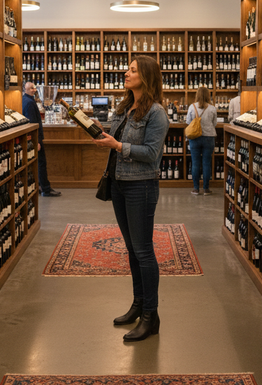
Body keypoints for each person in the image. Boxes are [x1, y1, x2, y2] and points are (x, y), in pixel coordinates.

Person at [92, 56, 169, 342]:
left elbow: (151, 153)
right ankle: (138, 306)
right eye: (127, 68)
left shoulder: (157, 113)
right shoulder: (125, 107)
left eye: (133, 70)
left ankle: (151, 315)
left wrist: (118, 145)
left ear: (146, 76)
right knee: (132, 250)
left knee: (144, 251)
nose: (126, 72)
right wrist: (103, 138)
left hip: (141, 187)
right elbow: (118, 144)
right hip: (118, 185)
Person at [22, 81, 61, 197]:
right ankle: (46, 189)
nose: (33, 90)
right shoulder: (29, 102)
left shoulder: (26, 100)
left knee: (36, 163)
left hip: (31, 138)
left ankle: (37, 186)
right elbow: (33, 123)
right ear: (25, 89)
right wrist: (37, 141)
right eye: (31, 88)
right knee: (41, 163)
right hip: (34, 138)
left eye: (34, 88)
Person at [186, 87, 218, 196]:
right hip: (209, 138)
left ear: (197, 95)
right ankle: (206, 189)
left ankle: (195, 189)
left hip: (194, 137)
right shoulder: (212, 108)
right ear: (208, 95)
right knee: (206, 163)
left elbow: (188, 122)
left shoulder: (192, 107)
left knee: (195, 163)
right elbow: (215, 124)